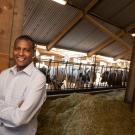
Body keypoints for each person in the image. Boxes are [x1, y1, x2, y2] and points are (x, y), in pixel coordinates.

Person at [0, 35, 46, 135]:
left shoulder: (38, 78)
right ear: (13, 50)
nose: (21, 53)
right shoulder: (4, 74)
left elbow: (19, 118)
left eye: (26, 50)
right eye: (18, 49)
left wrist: (4, 106)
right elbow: (17, 114)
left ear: (33, 53)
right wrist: (15, 108)